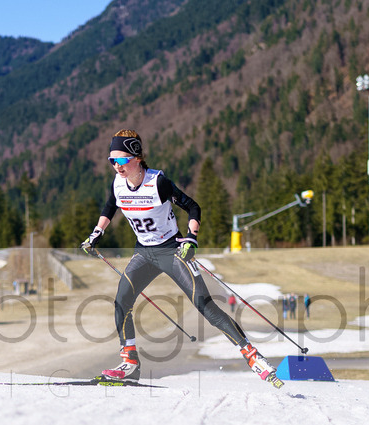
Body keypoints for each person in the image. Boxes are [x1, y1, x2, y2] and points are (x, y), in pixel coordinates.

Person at [82, 129, 279, 384]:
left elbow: (192, 206)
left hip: (172, 252)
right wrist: (97, 233)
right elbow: (110, 206)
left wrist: (191, 237)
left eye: (121, 160)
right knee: (121, 302)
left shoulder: (158, 183)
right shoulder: (118, 184)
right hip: (143, 253)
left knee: (204, 305)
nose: (116, 166)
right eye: (112, 161)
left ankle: (253, 357)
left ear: (137, 158)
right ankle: (130, 362)